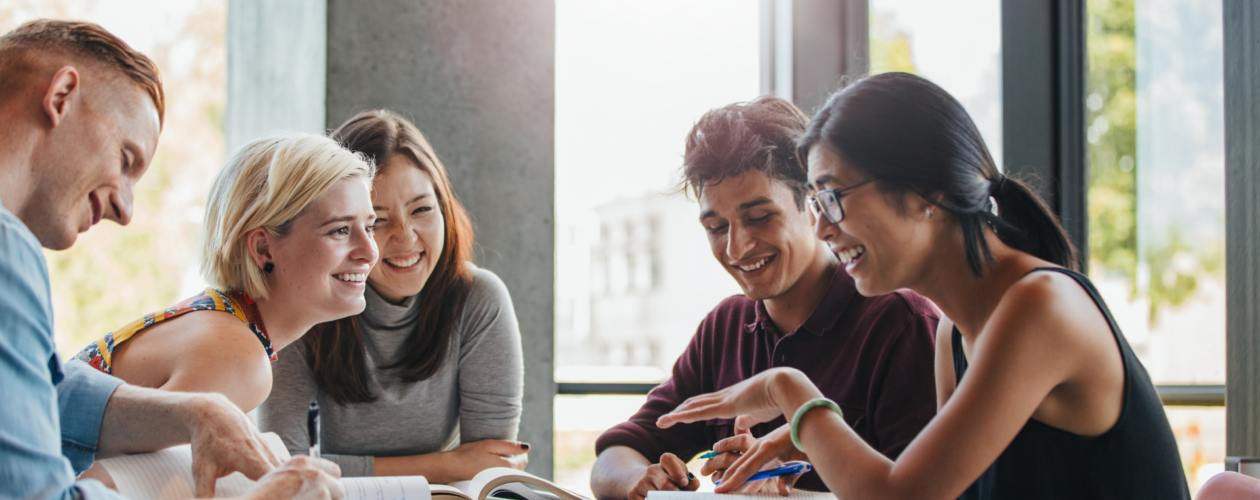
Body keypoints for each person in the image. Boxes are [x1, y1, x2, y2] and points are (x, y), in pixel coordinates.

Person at [656, 72, 1191, 500]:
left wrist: (788, 392)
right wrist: (807, 451)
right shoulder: (953, 334)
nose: (821, 228)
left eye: (834, 198)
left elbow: (903, 496)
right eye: (817, 204)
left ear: (923, 193)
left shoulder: (1039, 307)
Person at [0, 19, 344, 500]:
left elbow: (45, 388)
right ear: (61, 97)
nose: (125, 209)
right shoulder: (7, 251)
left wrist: (196, 412)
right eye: (125, 159)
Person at [590, 96, 939, 500]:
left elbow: (920, 493)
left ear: (813, 205)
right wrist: (641, 482)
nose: (737, 248)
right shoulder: (725, 328)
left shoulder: (900, 325)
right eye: (716, 227)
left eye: (759, 218)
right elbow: (615, 454)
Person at [258, 110, 527, 482]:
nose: (406, 237)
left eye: (422, 209)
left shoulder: (478, 299)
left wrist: (459, 468)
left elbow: (488, 467)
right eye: (377, 221)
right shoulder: (303, 300)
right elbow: (286, 468)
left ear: (445, 208)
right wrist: (445, 464)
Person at [74, 133, 379, 414]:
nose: (370, 252)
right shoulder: (238, 359)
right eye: (340, 230)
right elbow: (107, 473)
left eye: (369, 228)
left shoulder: (224, 323)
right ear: (263, 248)